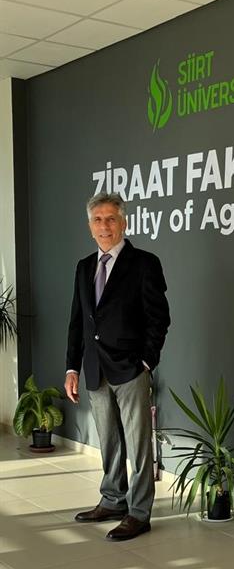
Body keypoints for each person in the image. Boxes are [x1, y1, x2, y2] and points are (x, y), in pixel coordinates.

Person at [65, 192, 170, 541]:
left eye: (111, 218)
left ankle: (139, 513)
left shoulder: (144, 263)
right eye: (98, 220)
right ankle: (113, 500)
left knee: (138, 445)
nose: (105, 226)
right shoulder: (84, 267)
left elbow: (159, 318)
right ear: (89, 226)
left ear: (123, 222)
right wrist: (72, 367)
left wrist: (146, 361)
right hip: (95, 369)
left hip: (130, 369)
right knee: (109, 440)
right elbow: (78, 322)